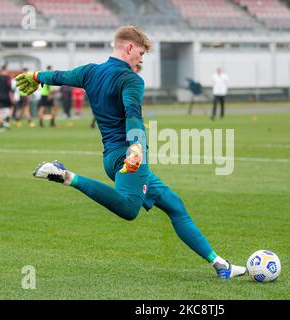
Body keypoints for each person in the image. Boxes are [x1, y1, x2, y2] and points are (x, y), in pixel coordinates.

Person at [15, 25, 246, 279]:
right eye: (141, 53)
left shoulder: (90, 72)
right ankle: (66, 176)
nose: (141, 59)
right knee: (129, 208)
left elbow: (60, 76)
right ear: (129, 47)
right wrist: (136, 146)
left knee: (174, 205)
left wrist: (36, 76)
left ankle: (221, 266)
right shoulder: (131, 79)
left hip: (111, 157)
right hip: (130, 156)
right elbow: (132, 113)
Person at [0, 64, 14, 132]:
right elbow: (10, 89)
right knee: (12, 107)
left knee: (0, 111)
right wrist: (12, 98)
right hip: (6, 96)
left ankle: (0, 127)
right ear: (5, 70)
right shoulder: (8, 78)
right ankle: (6, 120)